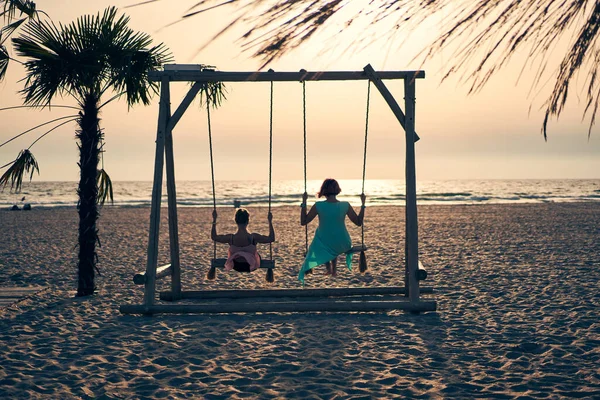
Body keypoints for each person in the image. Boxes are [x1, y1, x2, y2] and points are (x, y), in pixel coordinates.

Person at [299, 178, 365, 283]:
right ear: (337, 190)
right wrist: (363, 204)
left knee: (322, 236)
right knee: (332, 237)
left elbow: (304, 221)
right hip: (343, 243)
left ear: (323, 190)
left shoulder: (318, 205)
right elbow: (358, 222)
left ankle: (329, 268)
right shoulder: (345, 205)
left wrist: (303, 203)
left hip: (325, 242)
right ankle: (333, 270)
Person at [211, 208, 275, 272]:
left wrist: (214, 219)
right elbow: (271, 238)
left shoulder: (231, 238)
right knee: (257, 255)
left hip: (236, 266)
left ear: (236, 221)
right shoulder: (253, 237)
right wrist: (270, 221)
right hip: (250, 265)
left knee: (236, 255)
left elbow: (214, 237)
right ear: (248, 221)